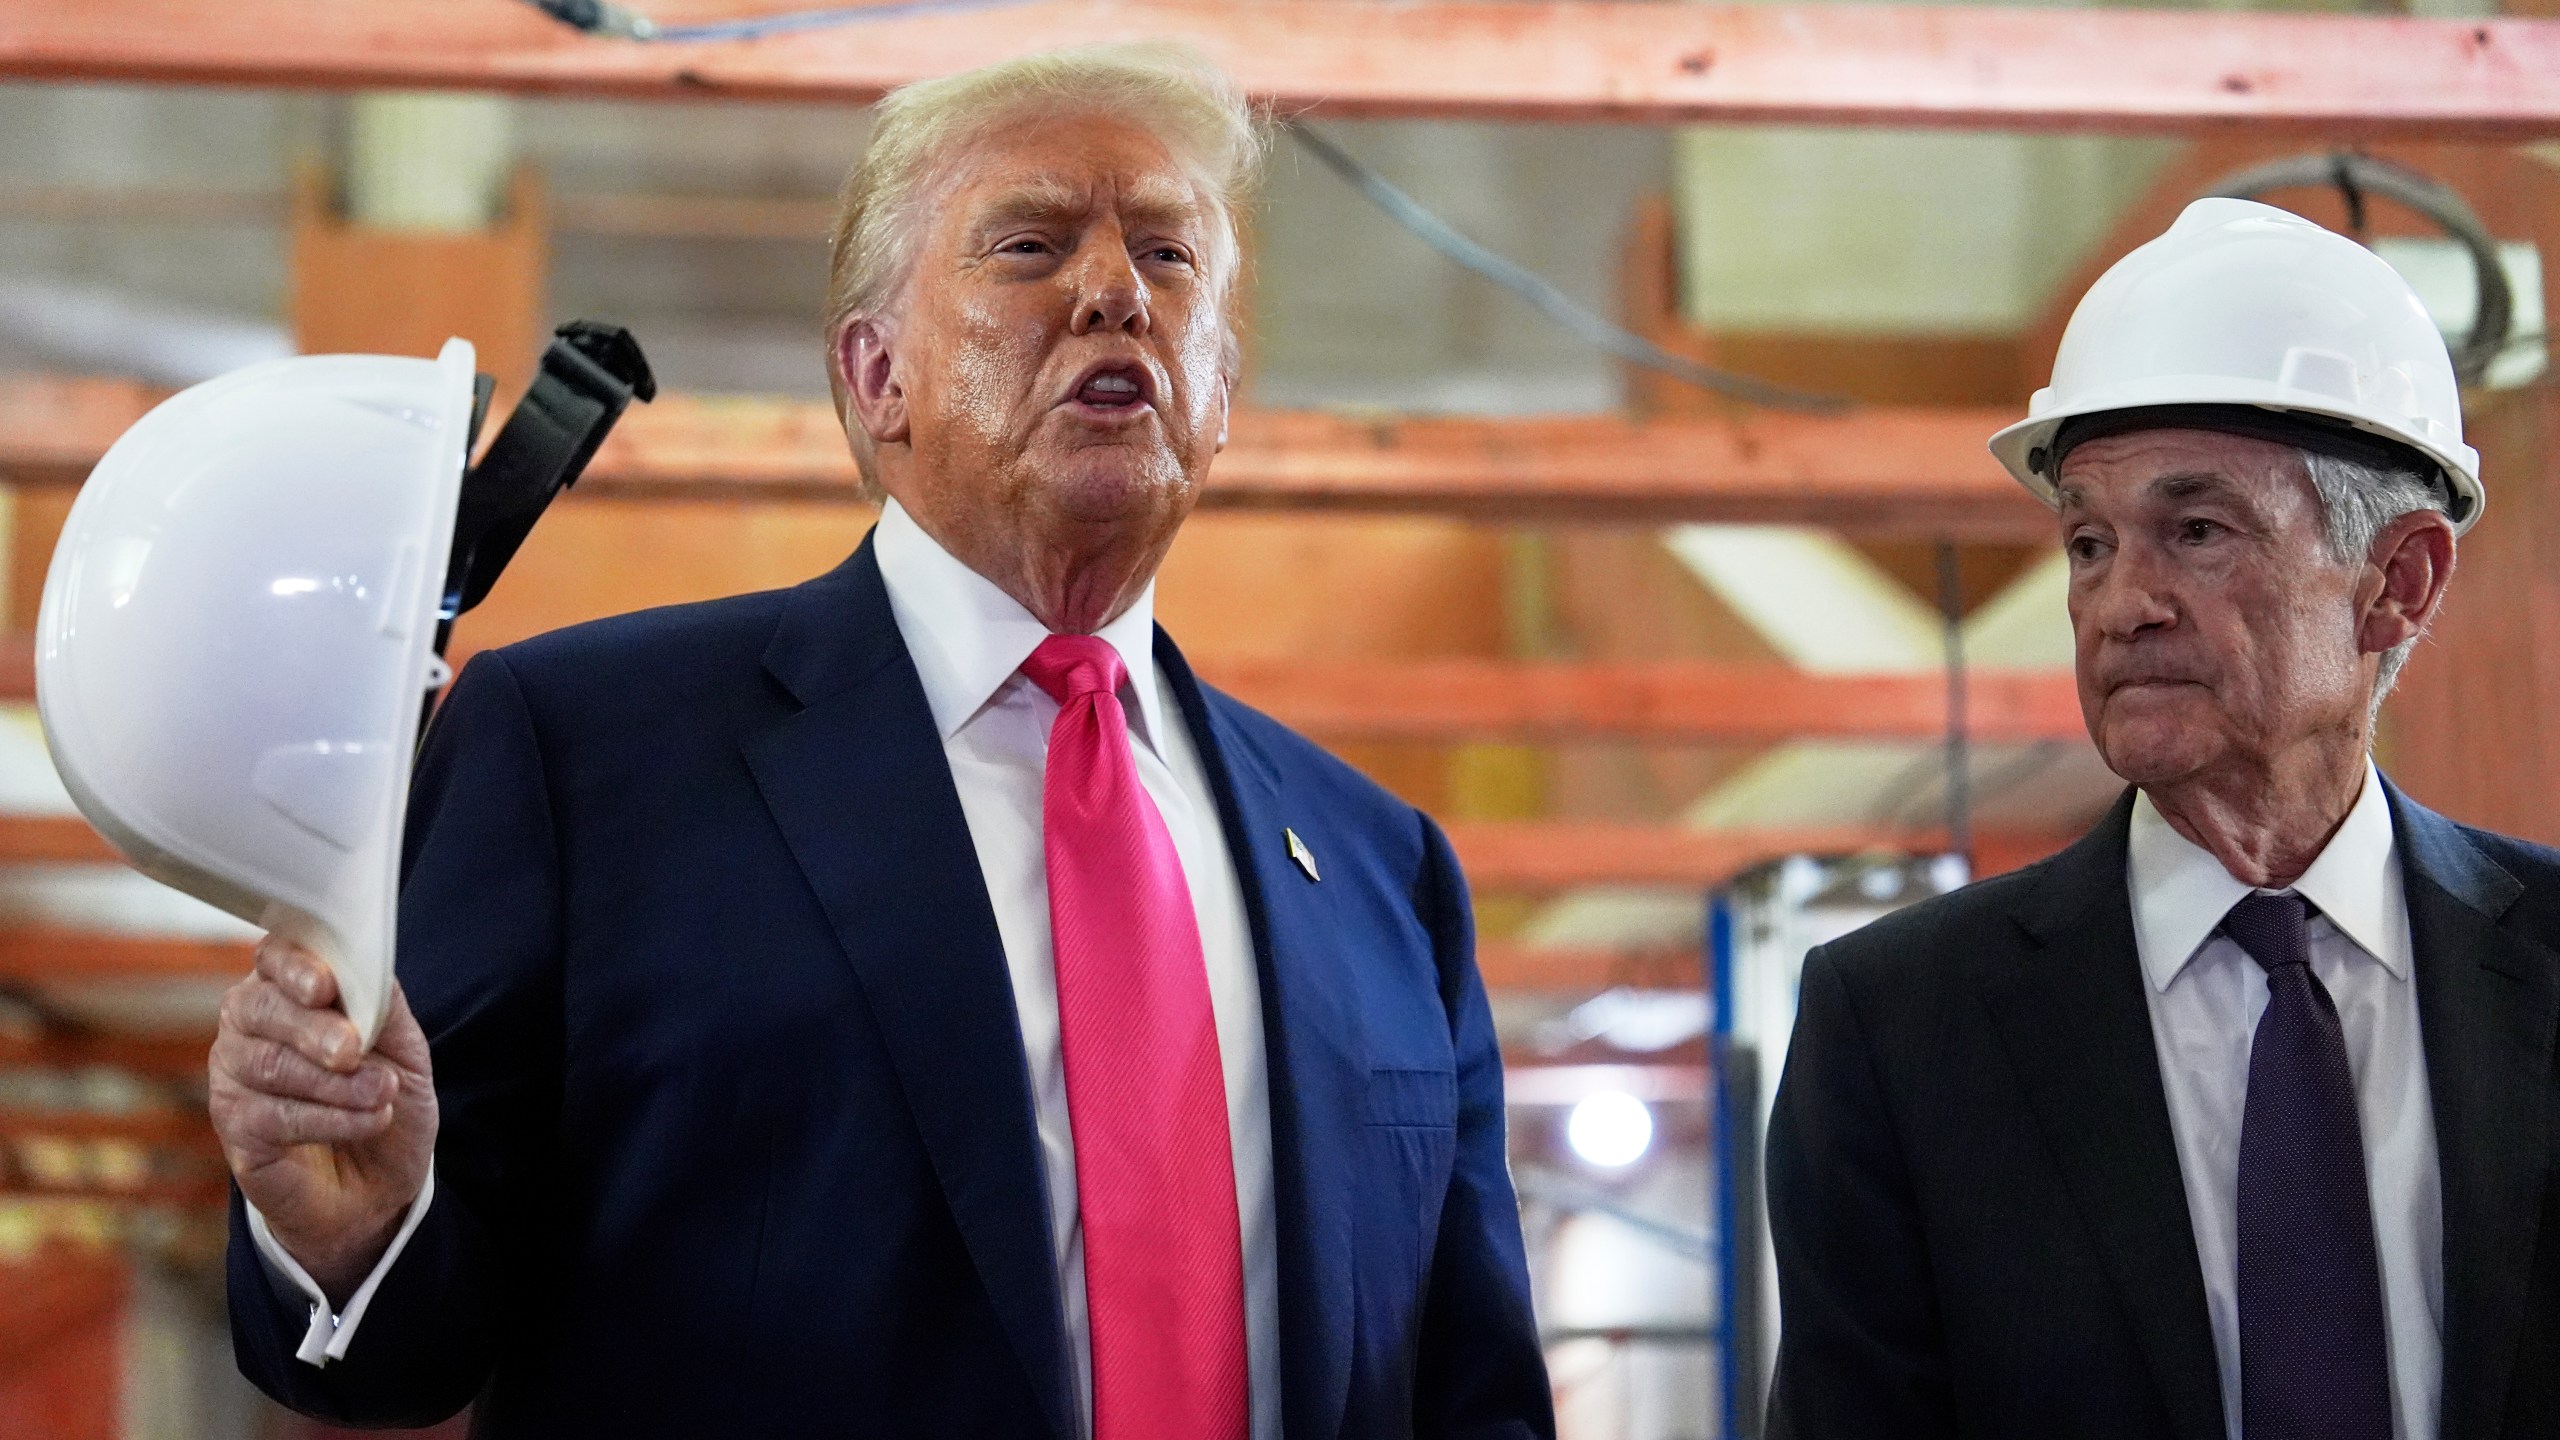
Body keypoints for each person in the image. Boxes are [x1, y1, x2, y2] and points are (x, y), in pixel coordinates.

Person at [209, 44, 1553, 1439]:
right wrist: (351, 1233)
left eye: (1169, 256)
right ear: (877, 374)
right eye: (1031, 246)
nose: (1115, 290)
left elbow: (1476, 1393)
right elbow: (403, 1352)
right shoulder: (579, 757)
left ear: (1218, 391)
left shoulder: (1384, 872)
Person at [1765, 198, 2560, 1440]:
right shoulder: (1900, 1029)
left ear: (2397, 583)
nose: (2120, 603)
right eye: (2088, 542)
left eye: (2195, 532)